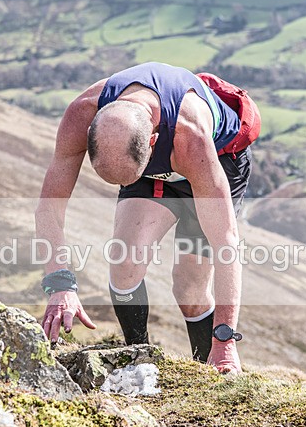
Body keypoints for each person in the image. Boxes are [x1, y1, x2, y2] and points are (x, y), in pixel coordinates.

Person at [34, 62, 259, 374]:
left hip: (216, 162)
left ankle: (212, 368)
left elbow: (226, 244)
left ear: (152, 142)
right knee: (124, 264)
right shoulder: (81, 113)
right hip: (143, 160)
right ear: (90, 134)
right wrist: (59, 284)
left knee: (189, 287)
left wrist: (225, 341)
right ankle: (138, 358)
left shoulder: (190, 136)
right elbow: (50, 209)